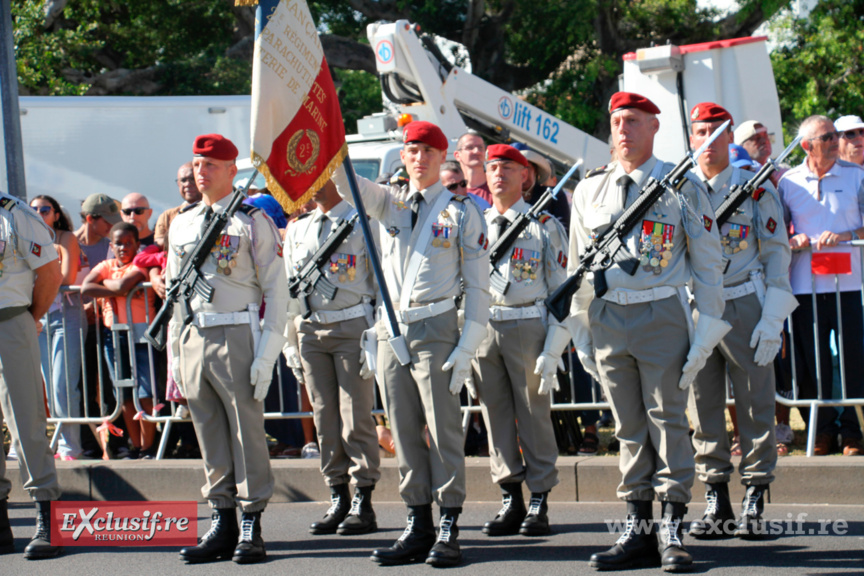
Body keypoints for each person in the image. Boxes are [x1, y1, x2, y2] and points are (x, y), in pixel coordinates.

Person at [569, 92, 727, 572]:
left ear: (655, 127)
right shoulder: (589, 189)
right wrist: (579, 329)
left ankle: (671, 529)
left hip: (661, 313)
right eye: (617, 121)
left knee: (668, 421)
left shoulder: (681, 187)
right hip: (608, 318)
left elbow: (708, 262)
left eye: (634, 121)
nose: (624, 130)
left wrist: (707, 328)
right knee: (628, 427)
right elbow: (579, 266)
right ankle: (638, 530)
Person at [332, 120, 490, 567]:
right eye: (412, 151)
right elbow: (344, 183)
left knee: (443, 430)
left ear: (443, 158)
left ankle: (449, 523)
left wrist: (467, 346)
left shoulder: (461, 211)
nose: (419, 158)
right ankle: (418, 521)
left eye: (428, 151)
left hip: (435, 327)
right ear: (402, 156)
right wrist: (331, 140)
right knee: (402, 430)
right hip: (392, 329)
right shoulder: (390, 201)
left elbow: (479, 287)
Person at [168, 134, 287, 564]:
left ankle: (251, 520)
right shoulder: (182, 223)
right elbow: (174, 294)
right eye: (197, 164)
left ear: (232, 170)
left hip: (236, 332)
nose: (201, 172)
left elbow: (277, 289)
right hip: (193, 336)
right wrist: (175, 356)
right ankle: (222, 517)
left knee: (245, 433)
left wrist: (268, 352)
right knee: (209, 432)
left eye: (211, 165)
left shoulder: (251, 221)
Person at [684, 103, 796, 540]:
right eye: (700, 132)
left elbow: (776, 253)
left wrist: (773, 317)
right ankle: (716, 496)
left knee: (755, 402)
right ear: (691, 139)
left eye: (716, 131)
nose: (708, 140)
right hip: (697, 307)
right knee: (702, 405)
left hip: (743, 302)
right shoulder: (681, 191)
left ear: (730, 137)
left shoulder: (754, 189)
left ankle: (754, 494)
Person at [472, 144, 568, 537]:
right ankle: (510, 496)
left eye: (508, 167)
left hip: (527, 323)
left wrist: (555, 345)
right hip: (484, 326)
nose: (499, 174)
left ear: (524, 175)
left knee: (533, 413)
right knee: (494, 414)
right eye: (493, 167)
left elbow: (561, 290)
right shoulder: (474, 224)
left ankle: (540, 498)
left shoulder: (543, 225)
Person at [284, 179, 381, 536]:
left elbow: (381, 282)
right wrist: (289, 343)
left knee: (355, 416)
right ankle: (338, 494)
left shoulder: (363, 222)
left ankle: (363, 499)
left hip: (352, 324)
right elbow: (289, 289)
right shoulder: (298, 228)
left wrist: (377, 333)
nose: (312, 185)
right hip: (310, 329)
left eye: (320, 175)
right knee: (324, 417)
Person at [779, 114, 864, 457]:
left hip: (849, 285)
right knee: (814, 363)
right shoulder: (788, 181)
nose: (835, 141)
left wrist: (846, 235)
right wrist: (792, 238)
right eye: (827, 137)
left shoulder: (856, 175)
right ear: (806, 146)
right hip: (805, 287)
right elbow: (776, 231)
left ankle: (852, 432)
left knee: (853, 360)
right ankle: (823, 430)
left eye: (835, 135)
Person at [0, 188, 64, 559]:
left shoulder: (15, 215)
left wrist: (30, 319)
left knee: (26, 423)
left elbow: (51, 274)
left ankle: (46, 518)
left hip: (9, 321)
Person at [81, 222, 159, 459]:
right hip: (113, 335)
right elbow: (86, 287)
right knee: (123, 394)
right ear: (111, 245)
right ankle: (136, 446)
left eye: (128, 243)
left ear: (137, 244)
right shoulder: (105, 265)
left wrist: (105, 284)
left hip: (142, 334)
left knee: (144, 393)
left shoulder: (141, 264)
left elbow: (124, 284)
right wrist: (115, 289)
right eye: (118, 243)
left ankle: (148, 447)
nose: (123, 247)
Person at [30, 195, 85, 461]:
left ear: (56, 214)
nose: (39, 213)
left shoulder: (66, 238)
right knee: (49, 387)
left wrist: (40, 281)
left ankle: (71, 447)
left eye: (45, 209)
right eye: (34, 210)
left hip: (66, 315)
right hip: (39, 316)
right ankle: (61, 443)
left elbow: (67, 277)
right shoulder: (26, 240)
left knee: (63, 385)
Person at [512, 143, 570, 232]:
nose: (523, 173)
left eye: (526, 168)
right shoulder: (502, 197)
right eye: (517, 168)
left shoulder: (554, 196)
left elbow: (563, 232)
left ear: (535, 171)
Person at [154, 162, 203, 249]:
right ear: (178, 184)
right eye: (183, 180)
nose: (187, 184)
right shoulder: (167, 216)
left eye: (192, 179)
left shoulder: (215, 210)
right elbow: (159, 243)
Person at [454, 131, 493, 205]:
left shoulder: (497, 186)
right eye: (470, 147)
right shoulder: (452, 189)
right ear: (457, 155)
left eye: (480, 147)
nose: (477, 151)